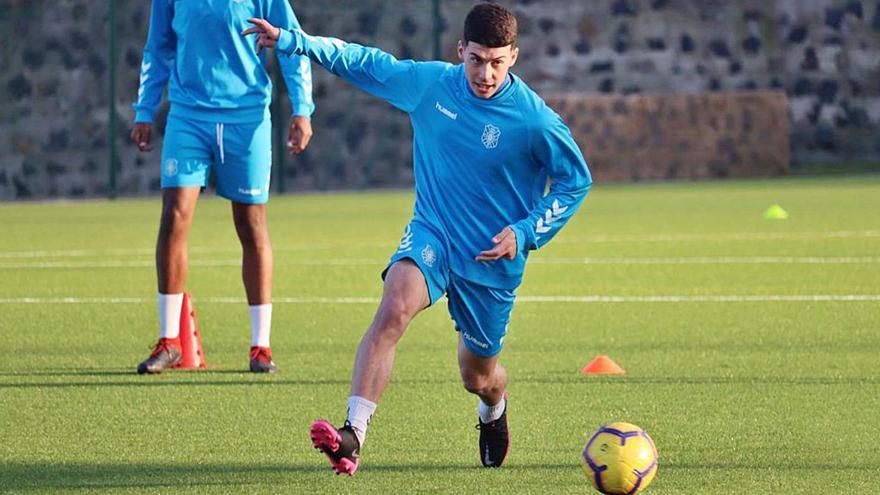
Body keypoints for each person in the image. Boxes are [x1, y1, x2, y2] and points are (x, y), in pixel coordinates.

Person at [245, 2, 592, 474]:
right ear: (460, 51)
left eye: (496, 61)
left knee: (478, 375)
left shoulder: (535, 121)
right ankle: (352, 435)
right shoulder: (432, 85)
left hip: (491, 259)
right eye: (475, 59)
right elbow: (363, 60)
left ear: (513, 56)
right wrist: (294, 41)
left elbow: (576, 181)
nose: (485, 73)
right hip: (434, 234)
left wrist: (525, 232)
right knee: (394, 307)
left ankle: (494, 407)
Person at [132, 0, 314, 374]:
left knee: (250, 225)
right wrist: (145, 109)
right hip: (188, 115)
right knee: (174, 215)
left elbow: (292, 43)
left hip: (246, 118)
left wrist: (302, 108)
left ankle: (260, 347)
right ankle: (170, 342)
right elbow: (159, 47)